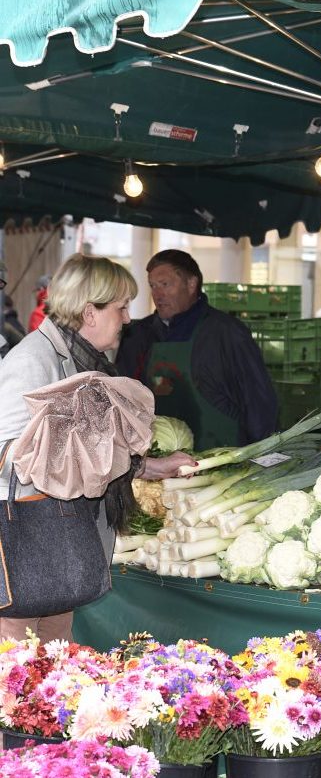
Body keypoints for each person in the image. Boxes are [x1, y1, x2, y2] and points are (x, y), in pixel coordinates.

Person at [0, 253, 195, 644]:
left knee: (56, 665)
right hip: (32, 543)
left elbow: (93, 449)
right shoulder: (33, 361)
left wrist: (150, 467)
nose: (127, 318)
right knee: (17, 670)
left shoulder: (83, 359)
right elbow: (8, 451)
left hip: (60, 543)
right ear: (90, 312)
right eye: (121, 307)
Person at [117, 249, 278, 450]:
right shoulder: (138, 335)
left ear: (191, 284)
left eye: (165, 285)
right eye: (152, 286)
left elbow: (258, 402)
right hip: (158, 465)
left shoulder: (228, 334)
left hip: (221, 462)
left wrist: (264, 454)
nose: (157, 294)